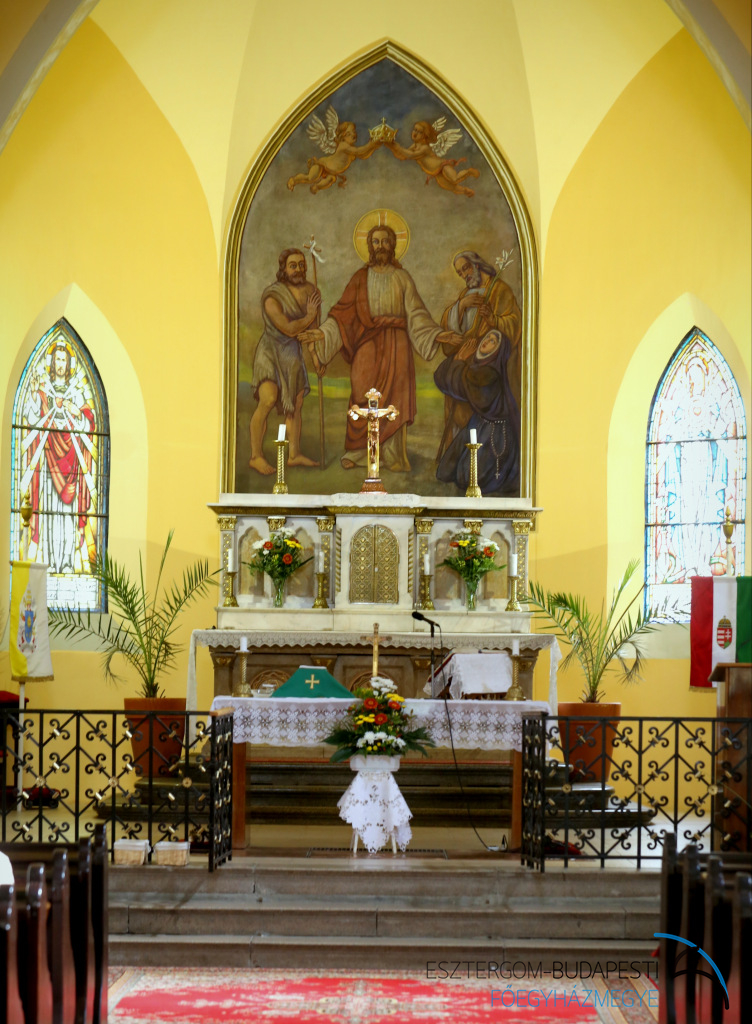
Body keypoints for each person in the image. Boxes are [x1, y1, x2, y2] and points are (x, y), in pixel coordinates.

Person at [300, 225, 461, 472]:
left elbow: (416, 314)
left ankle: (393, 455)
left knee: (395, 397)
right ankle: (358, 452)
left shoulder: (402, 277)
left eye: (385, 241)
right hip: (367, 342)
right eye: (376, 242)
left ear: (393, 245)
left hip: (398, 344)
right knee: (361, 392)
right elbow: (343, 314)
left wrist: (438, 334)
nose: (380, 246)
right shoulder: (360, 278)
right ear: (370, 246)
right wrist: (323, 333)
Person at [436, 251, 521, 466]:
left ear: (476, 264)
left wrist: (493, 320)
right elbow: (451, 328)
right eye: (460, 272)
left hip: (485, 370)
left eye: (465, 268)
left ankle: (481, 464)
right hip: (464, 363)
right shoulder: (466, 294)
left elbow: (514, 324)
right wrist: (461, 306)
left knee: (478, 415)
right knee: (457, 410)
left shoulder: (500, 290)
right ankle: (458, 461)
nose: (464, 274)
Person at [23, 342, 96, 572]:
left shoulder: (78, 395)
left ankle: (66, 563)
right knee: (50, 513)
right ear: (52, 363)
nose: (61, 364)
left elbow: (89, 424)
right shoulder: (44, 394)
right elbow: (32, 420)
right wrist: (33, 394)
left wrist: (77, 413)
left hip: (71, 464)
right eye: (58, 359)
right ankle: (50, 563)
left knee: (67, 516)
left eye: (64, 360)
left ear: (69, 364)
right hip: (49, 463)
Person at [249, 249, 321, 475]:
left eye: (301, 264)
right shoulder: (273, 296)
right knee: (268, 399)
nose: (298, 269)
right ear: (284, 269)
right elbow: (289, 329)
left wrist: (316, 358)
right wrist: (309, 316)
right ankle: (256, 456)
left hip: (292, 355)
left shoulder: (311, 292)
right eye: (293, 265)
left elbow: (312, 331)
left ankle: (294, 454)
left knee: (296, 404)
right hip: (270, 352)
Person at [434, 328, 520, 495]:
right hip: (478, 424)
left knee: (468, 477)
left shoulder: (490, 374)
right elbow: (442, 378)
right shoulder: (476, 366)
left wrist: (459, 361)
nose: (486, 341)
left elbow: (463, 383)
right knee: (446, 471)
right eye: (487, 337)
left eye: (493, 341)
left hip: (495, 434)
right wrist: (458, 359)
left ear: (497, 351)